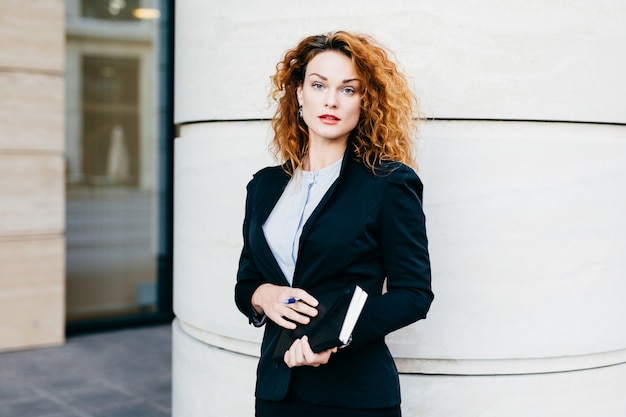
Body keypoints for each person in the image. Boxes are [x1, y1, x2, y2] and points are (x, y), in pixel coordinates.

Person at [235, 31, 433, 417]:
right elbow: (247, 281)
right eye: (318, 84)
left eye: (348, 89)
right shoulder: (264, 186)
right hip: (276, 391)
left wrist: (334, 337)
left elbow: (414, 294)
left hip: (353, 396)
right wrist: (263, 296)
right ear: (298, 95)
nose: (330, 100)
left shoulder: (388, 184)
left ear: (365, 100)